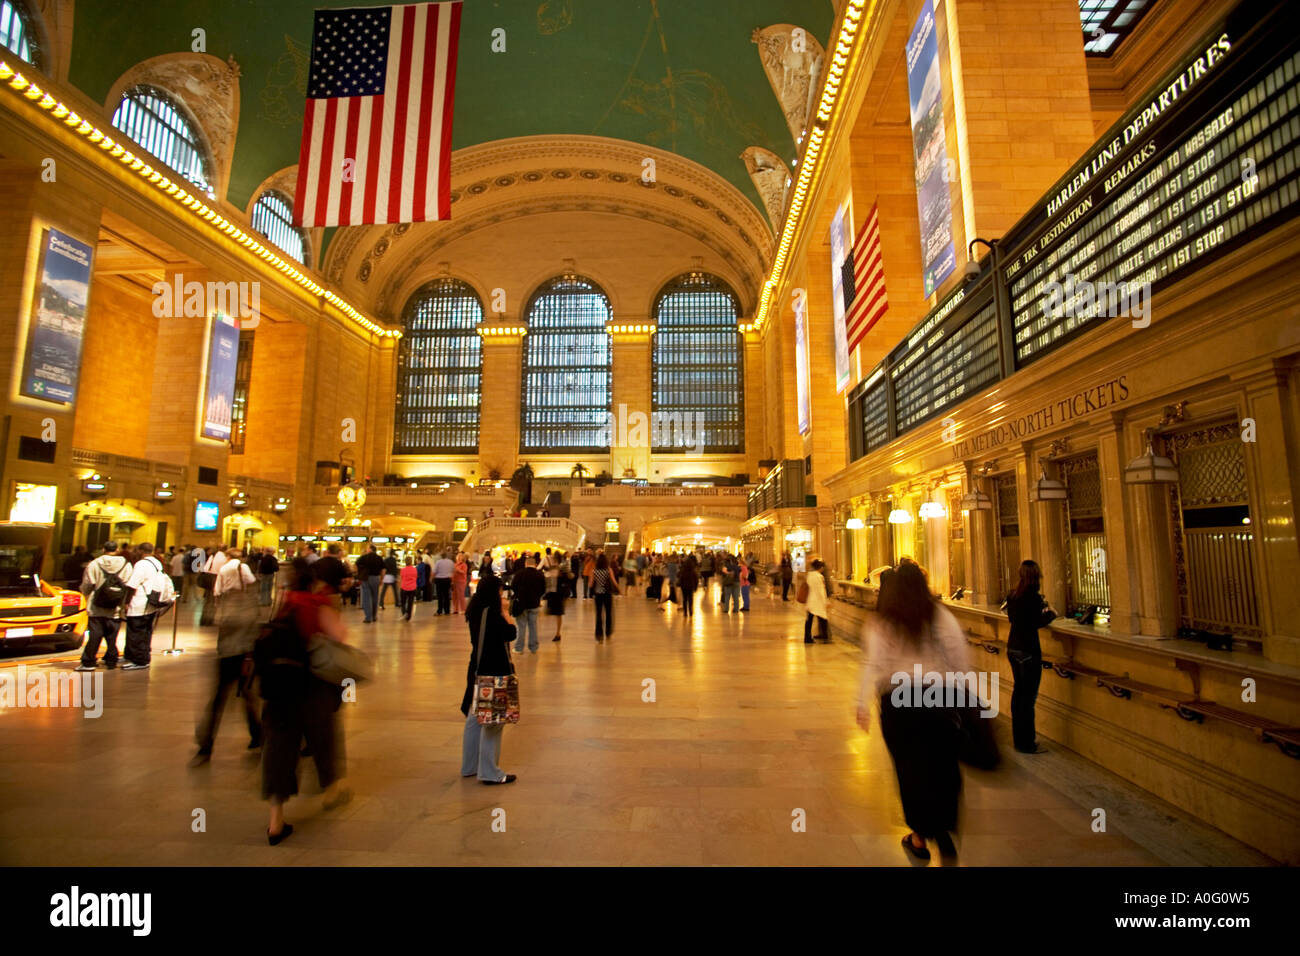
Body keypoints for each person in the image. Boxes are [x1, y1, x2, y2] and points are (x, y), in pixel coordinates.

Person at [856, 563, 971, 860]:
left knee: (910, 769)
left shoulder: (884, 620)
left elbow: (873, 664)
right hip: (938, 696)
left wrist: (861, 704)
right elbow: (959, 656)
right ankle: (945, 827)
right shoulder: (941, 616)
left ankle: (920, 836)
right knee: (943, 763)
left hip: (900, 702)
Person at [261, 558, 353, 845]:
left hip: (278, 689)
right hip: (310, 687)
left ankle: (275, 822)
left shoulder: (285, 602)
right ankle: (331, 790)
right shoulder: (317, 604)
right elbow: (340, 638)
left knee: (279, 749)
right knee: (322, 739)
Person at [191, 549, 261, 766]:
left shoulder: (229, 600)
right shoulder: (249, 601)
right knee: (245, 697)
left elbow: (217, 594)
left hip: (230, 655)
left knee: (223, 699)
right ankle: (256, 734)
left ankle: (207, 743)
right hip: (241, 656)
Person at [460, 567, 518, 785]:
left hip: (476, 667)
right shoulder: (492, 613)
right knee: (493, 722)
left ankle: (470, 766)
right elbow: (510, 633)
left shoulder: (475, 608)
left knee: (475, 718)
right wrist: (506, 613)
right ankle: (489, 772)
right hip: (493, 671)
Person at [1005, 559, 1057, 754]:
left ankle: (1018, 739)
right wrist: (1051, 614)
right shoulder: (1033, 598)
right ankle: (1027, 743)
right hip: (1028, 650)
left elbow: (1013, 618)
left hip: (1013, 648)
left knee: (1018, 695)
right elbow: (1036, 622)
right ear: (1036, 577)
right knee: (1028, 699)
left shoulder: (1013, 595)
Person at [76, 541, 131, 671]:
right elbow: (129, 584)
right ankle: (111, 660)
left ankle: (88, 661)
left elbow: (87, 584)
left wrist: (85, 593)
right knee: (112, 635)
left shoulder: (94, 564)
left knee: (95, 634)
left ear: (103, 549)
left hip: (96, 605)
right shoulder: (126, 565)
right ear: (117, 549)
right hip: (115, 606)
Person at [122, 542, 171, 670]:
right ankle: (139, 656)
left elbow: (132, 585)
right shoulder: (156, 562)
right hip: (151, 602)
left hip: (139, 603)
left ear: (141, 551)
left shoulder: (141, 564)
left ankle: (139, 660)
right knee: (146, 632)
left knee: (136, 632)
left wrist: (126, 602)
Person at [510, 554, 546, 653]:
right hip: (534, 604)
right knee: (533, 626)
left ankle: (519, 648)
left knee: (521, 627)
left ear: (526, 564)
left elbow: (513, 586)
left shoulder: (520, 574)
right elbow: (543, 589)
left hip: (521, 604)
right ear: (535, 564)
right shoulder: (540, 575)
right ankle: (533, 647)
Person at [590, 552, 619, 641]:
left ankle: (599, 634)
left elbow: (590, 584)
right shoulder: (608, 570)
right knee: (608, 614)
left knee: (598, 614)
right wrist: (619, 589)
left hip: (598, 595)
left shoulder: (594, 571)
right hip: (607, 594)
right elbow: (614, 582)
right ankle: (608, 632)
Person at [803, 559, 830, 644]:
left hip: (810, 600)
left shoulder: (809, 576)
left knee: (809, 620)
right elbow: (821, 591)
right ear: (820, 568)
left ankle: (807, 637)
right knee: (823, 619)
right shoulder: (819, 577)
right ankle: (825, 637)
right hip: (818, 601)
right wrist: (826, 601)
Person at [355, 545, 384, 623]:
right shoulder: (379, 558)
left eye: (367, 548)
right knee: (375, 597)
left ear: (370, 549)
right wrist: (381, 579)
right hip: (376, 578)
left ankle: (368, 617)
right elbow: (383, 569)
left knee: (366, 598)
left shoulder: (364, 557)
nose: (367, 550)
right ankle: (374, 616)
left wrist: (359, 574)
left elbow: (356, 564)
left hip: (366, 578)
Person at [543, 554, 565, 641]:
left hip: (557, 595)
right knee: (557, 614)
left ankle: (558, 633)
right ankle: (557, 633)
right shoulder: (552, 569)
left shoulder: (560, 570)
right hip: (553, 594)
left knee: (558, 614)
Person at [434, 550, 455, 614]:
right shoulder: (450, 562)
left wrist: (431, 578)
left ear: (441, 556)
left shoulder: (438, 562)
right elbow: (453, 571)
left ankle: (440, 610)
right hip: (447, 580)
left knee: (440, 596)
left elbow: (434, 571)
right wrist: (452, 581)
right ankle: (447, 610)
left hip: (439, 580)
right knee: (446, 595)